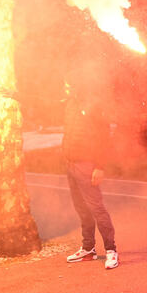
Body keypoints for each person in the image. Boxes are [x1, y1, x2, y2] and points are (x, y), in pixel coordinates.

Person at [62, 72, 120, 270]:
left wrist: (100, 166)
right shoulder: (70, 104)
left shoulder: (94, 106)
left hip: (86, 165)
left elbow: (105, 137)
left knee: (96, 208)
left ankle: (111, 250)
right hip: (71, 164)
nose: (65, 88)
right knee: (82, 208)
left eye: (67, 85)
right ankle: (88, 249)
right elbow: (43, 100)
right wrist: (16, 95)